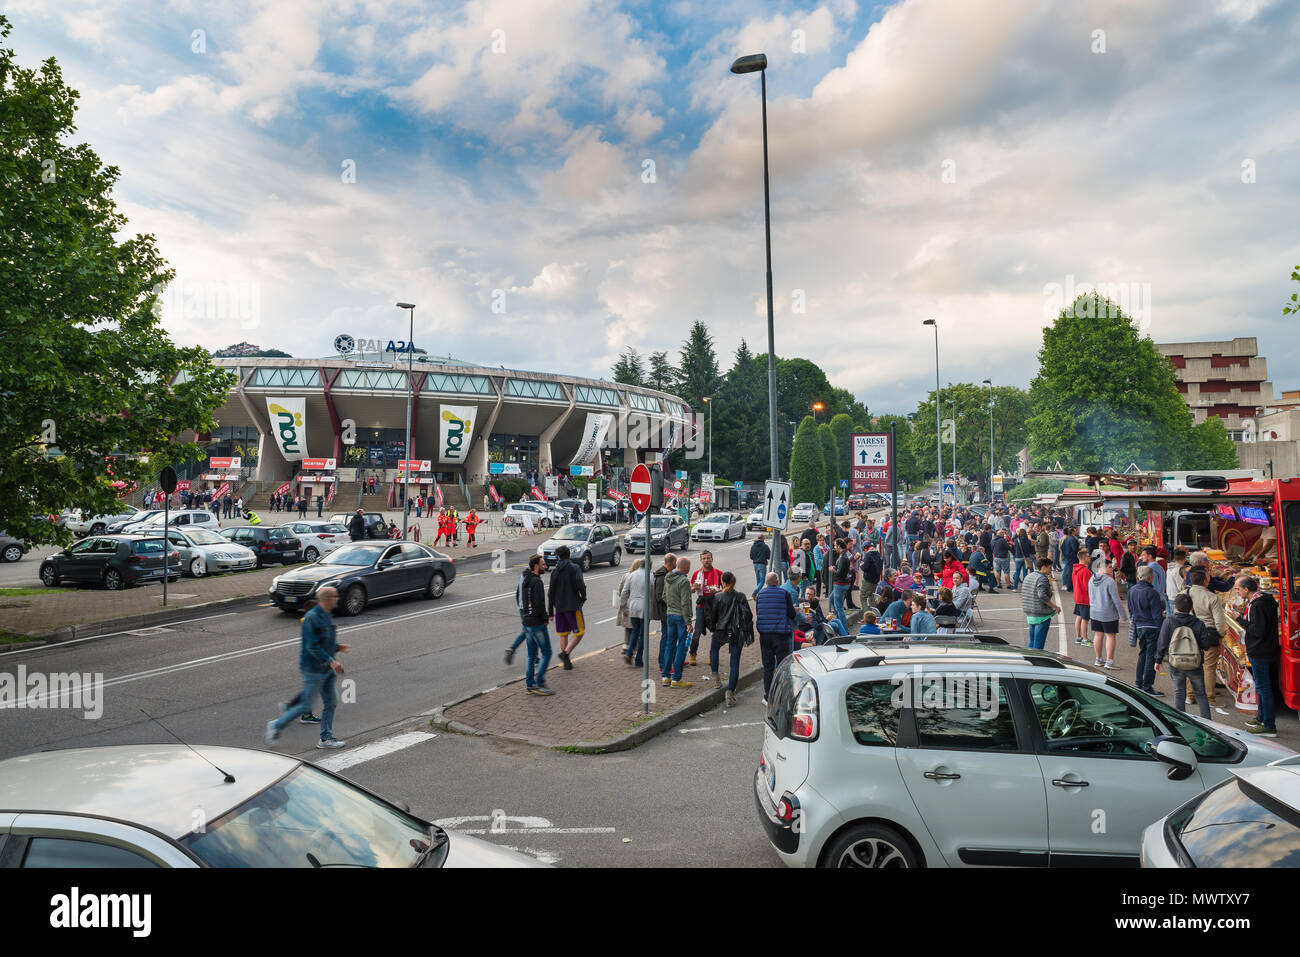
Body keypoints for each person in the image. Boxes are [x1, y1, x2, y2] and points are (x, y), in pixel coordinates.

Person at [265, 586, 350, 749]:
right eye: (335, 596)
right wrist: (332, 660)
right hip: (314, 669)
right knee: (306, 706)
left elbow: (325, 641)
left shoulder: (326, 615)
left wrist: (338, 647)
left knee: (331, 702)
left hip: (326, 669)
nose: (338, 598)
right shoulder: (312, 617)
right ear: (327, 599)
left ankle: (325, 738)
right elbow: (312, 646)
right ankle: (276, 725)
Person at [1231, 575, 1279, 736]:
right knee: (1262, 686)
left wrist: (1239, 619)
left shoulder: (1257, 605)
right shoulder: (1264, 600)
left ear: (1246, 589)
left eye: (1238, 589)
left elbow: (1257, 631)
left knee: (1263, 687)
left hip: (1260, 650)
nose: (1237, 592)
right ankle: (1261, 717)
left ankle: (1269, 725)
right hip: (1266, 649)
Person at [1155, 593, 1212, 718]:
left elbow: (1162, 642)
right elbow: (1206, 645)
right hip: (1195, 663)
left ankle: (1180, 721)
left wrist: (1158, 660)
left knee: (1179, 691)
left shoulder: (1169, 621)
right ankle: (1207, 723)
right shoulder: (1198, 623)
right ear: (1191, 608)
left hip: (1176, 662)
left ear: (1175, 607)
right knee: (1200, 693)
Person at [1185, 567, 1228, 713]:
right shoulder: (1212, 597)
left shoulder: (1185, 593)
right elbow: (1219, 622)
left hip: (1190, 632)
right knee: (1209, 666)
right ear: (1205, 581)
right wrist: (1221, 634)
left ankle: (1190, 695)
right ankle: (1210, 698)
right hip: (1209, 633)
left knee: (1192, 663)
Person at [707, 571, 754, 707]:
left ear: (723, 582)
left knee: (714, 649)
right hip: (736, 632)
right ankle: (730, 693)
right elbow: (749, 615)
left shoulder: (718, 597)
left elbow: (713, 616)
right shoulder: (741, 596)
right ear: (734, 582)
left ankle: (716, 677)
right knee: (734, 664)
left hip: (721, 630)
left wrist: (713, 628)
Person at [755, 572, 796, 704]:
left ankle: (768, 697)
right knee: (784, 665)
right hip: (781, 634)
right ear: (777, 582)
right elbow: (791, 614)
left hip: (765, 635)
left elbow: (758, 612)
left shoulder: (760, 595)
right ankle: (785, 695)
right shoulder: (784, 594)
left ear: (766, 583)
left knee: (768, 667)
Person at [518, 555, 555, 695]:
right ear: (535, 566)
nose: (545, 567)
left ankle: (530, 684)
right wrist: (545, 618)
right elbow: (539, 603)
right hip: (536, 623)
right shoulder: (537, 582)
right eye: (543, 564)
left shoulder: (525, 580)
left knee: (531, 655)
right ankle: (539, 683)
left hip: (527, 622)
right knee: (547, 652)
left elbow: (524, 601)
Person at [548, 545, 587, 670]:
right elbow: (580, 583)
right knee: (580, 632)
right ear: (569, 555)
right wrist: (583, 598)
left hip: (559, 607)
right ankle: (565, 653)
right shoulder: (574, 568)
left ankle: (567, 662)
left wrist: (550, 611)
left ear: (558, 556)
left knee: (563, 634)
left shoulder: (554, 571)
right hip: (573, 605)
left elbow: (550, 592)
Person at [1128, 564, 1166, 694]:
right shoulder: (1152, 593)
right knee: (1151, 656)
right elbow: (1157, 615)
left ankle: (1138, 682)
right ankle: (1147, 686)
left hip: (1139, 625)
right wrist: (1162, 630)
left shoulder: (1132, 590)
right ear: (1151, 578)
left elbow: (1130, 609)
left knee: (1143, 653)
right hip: (1152, 626)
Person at [661, 556, 694, 688]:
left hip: (670, 614)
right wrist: (689, 622)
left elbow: (664, 596)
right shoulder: (684, 581)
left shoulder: (668, 577)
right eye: (689, 566)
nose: (690, 568)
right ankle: (677, 678)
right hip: (681, 616)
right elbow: (685, 603)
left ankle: (665, 676)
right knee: (681, 646)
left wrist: (671, 605)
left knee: (670, 644)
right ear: (685, 567)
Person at [689, 550, 722, 667]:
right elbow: (691, 589)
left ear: (712, 559)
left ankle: (712, 655)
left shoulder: (718, 573)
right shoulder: (696, 574)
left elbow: (726, 589)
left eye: (708, 558)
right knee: (697, 632)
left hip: (714, 607)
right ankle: (692, 654)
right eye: (704, 558)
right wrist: (694, 588)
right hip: (701, 606)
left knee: (714, 632)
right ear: (701, 560)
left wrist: (718, 590)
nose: (706, 560)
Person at [1087, 557, 1122, 669]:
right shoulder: (1109, 581)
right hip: (1108, 613)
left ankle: (1098, 659)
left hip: (1094, 611)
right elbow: (1116, 600)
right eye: (1110, 567)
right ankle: (1109, 661)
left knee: (1098, 635)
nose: (1112, 569)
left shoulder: (1092, 579)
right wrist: (1124, 615)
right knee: (1110, 636)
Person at [1019, 558, 1059, 651]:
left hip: (1030, 613)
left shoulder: (1029, 576)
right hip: (1041, 615)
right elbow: (1041, 595)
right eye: (1050, 568)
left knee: (1032, 642)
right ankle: (1037, 663)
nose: (1051, 570)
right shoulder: (1042, 579)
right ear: (1043, 567)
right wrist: (1054, 606)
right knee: (1038, 645)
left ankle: (1030, 660)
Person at [619, 558, 647, 666]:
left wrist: (623, 607)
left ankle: (629, 652)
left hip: (633, 607)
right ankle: (638, 659)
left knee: (635, 631)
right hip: (645, 608)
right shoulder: (650, 576)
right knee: (642, 634)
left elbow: (624, 592)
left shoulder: (631, 575)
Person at [830, 538, 853, 634]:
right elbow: (842, 568)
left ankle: (844, 630)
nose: (834, 547)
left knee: (839, 607)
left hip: (840, 584)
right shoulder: (844, 555)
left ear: (839, 546)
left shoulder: (843, 557)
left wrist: (833, 570)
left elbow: (839, 573)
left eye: (835, 545)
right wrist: (836, 567)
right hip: (844, 583)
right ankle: (840, 623)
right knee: (831, 600)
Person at [1072, 558, 1093, 646]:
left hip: (1078, 596)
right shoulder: (1085, 571)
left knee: (1079, 617)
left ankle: (1078, 637)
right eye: (1088, 556)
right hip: (1085, 598)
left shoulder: (1075, 570)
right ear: (1083, 558)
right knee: (1085, 619)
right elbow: (1087, 586)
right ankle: (1085, 639)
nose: (1089, 558)